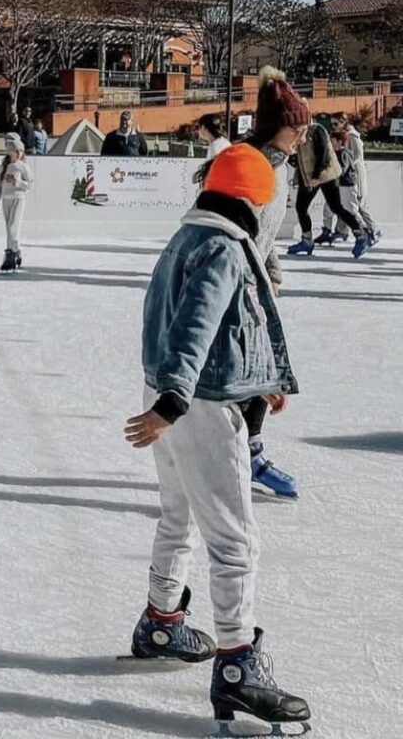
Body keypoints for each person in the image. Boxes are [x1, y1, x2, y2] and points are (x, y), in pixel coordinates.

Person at [125, 143, 310, 735]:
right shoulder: (225, 248)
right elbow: (196, 326)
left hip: (169, 397)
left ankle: (160, 622)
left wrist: (262, 382)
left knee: (176, 519)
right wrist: (176, 401)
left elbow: (229, 326)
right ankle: (236, 667)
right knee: (235, 542)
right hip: (195, 406)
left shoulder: (185, 237)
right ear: (251, 200)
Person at [241, 66, 310, 500]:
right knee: (250, 373)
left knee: (260, 372)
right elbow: (235, 231)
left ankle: (246, 451)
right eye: (296, 128)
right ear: (277, 127)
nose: (302, 136)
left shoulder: (280, 167)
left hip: (256, 284)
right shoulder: (250, 166)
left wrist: (274, 271)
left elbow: (266, 234)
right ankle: (242, 453)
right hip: (234, 285)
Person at [288, 120, 370, 259]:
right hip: (309, 175)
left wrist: (316, 175)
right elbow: (299, 155)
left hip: (326, 175)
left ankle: (361, 235)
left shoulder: (317, 130)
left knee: (336, 206)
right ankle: (307, 240)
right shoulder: (296, 131)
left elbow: (323, 153)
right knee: (301, 207)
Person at [330, 113, 379, 243]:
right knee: (343, 204)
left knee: (357, 206)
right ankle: (342, 230)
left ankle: (372, 229)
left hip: (354, 175)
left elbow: (358, 156)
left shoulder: (353, 137)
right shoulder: (340, 137)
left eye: (336, 123)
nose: (333, 126)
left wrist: (346, 162)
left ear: (343, 122)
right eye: (332, 124)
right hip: (347, 175)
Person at [0, 133, 34, 271]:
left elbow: (30, 184)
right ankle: (16, 252)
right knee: (9, 229)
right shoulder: (4, 166)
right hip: (6, 200)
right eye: (17, 151)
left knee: (13, 228)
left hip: (18, 199)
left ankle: (10, 255)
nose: (20, 153)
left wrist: (18, 182)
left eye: (21, 151)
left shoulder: (23, 167)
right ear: (12, 152)